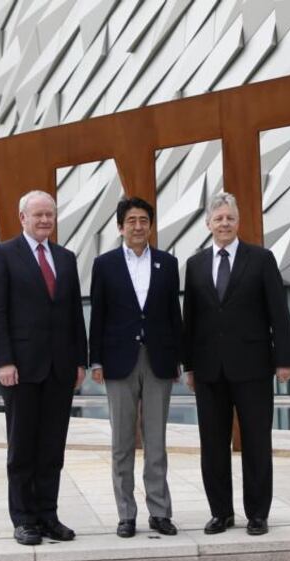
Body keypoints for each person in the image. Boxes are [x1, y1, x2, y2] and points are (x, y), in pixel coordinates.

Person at [182, 191, 290, 536]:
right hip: (209, 369)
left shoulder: (261, 259)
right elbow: (192, 319)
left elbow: (279, 311)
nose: (224, 223)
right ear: (208, 224)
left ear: (238, 221)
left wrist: (284, 359)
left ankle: (257, 513)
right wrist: (188, 365)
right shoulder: (195, 264)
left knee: (257, 442)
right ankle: (221, 513)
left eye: (230, 217)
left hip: (254, 367)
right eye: (218, 218)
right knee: (212, 444)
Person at [0, 190, 88, 546]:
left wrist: (79, 360)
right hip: (21, 369)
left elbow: (75, 313)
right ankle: (23, 518)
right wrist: (3, 361)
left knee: (52, 448)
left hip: (60, 368)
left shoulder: (66, 257)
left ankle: (47, 515)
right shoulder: (3, 255)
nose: (45, 220)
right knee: (23, 446)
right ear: (22, 217)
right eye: (38, 214)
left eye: (50, 215)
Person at [89, 197, 182, 538]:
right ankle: (126, 514)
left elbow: (175, 315)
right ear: (120, 226)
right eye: (132, 221)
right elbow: (97, 315)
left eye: (144, 220)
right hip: (118, 361)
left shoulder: (168, 264)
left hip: (158, 360)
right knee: (122, 442)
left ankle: (159, 512)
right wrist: (95, 359)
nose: (138, 226)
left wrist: (179, 359)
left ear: (151, 225)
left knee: (156, 441)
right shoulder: (104, 265)